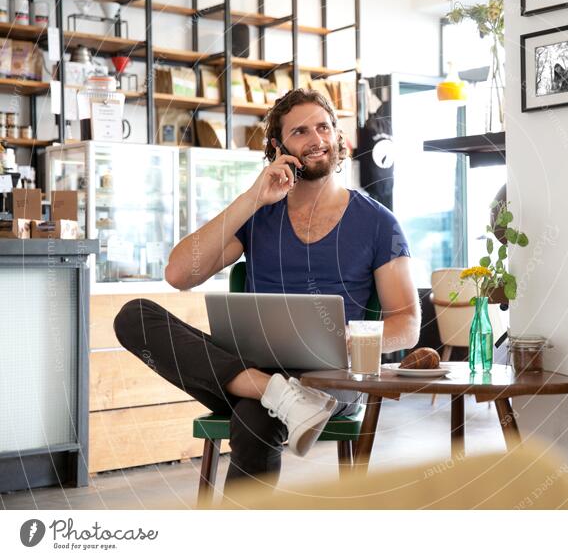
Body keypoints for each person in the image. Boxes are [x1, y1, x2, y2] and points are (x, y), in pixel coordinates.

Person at [113, 89, 421, 489]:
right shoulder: (259, 214)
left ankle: (271, 396)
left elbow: (408, 323)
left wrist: (353, 340)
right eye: (300, 131)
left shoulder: (378, 223)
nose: (316, 139)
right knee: (133, 316)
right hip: (256, 366)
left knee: (253, 417)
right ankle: (275, 391)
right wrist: (254, 197)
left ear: (338, 138)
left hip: (331, 379)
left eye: (323, 127)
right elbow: (179, 274)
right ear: (278, 148)